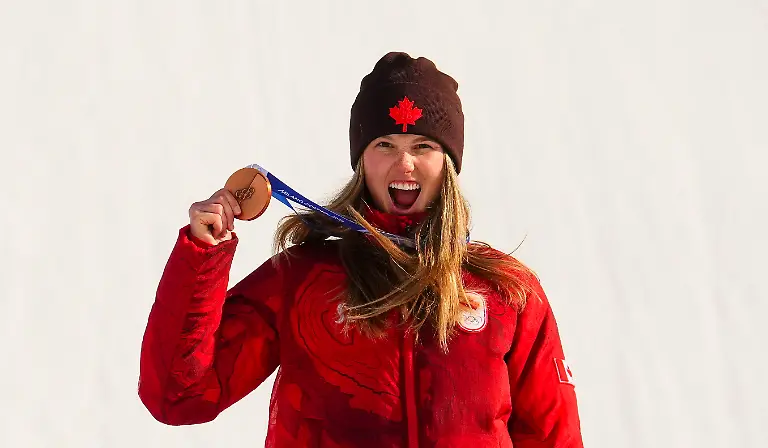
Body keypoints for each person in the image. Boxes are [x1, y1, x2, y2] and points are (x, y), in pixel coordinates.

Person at [138, 52, 584, 447]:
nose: (404, 163)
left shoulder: (506, 290)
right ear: (362, 161)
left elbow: (552, 439)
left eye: (423, 146)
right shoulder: (302, 278)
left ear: (447, 163)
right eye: (384, 145)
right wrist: (202, 257)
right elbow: (179, 395)